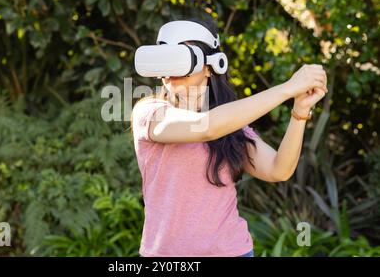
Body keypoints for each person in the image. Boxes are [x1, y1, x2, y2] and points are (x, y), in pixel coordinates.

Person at [131, 18, 328, 257]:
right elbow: (206, 126)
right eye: (166, 59)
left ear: (209, 67)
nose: (171, 72)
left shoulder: (231, 127)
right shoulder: (150, 113)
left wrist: (300, 112)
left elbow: (279, 170)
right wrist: (287, 89)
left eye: (181, 60)